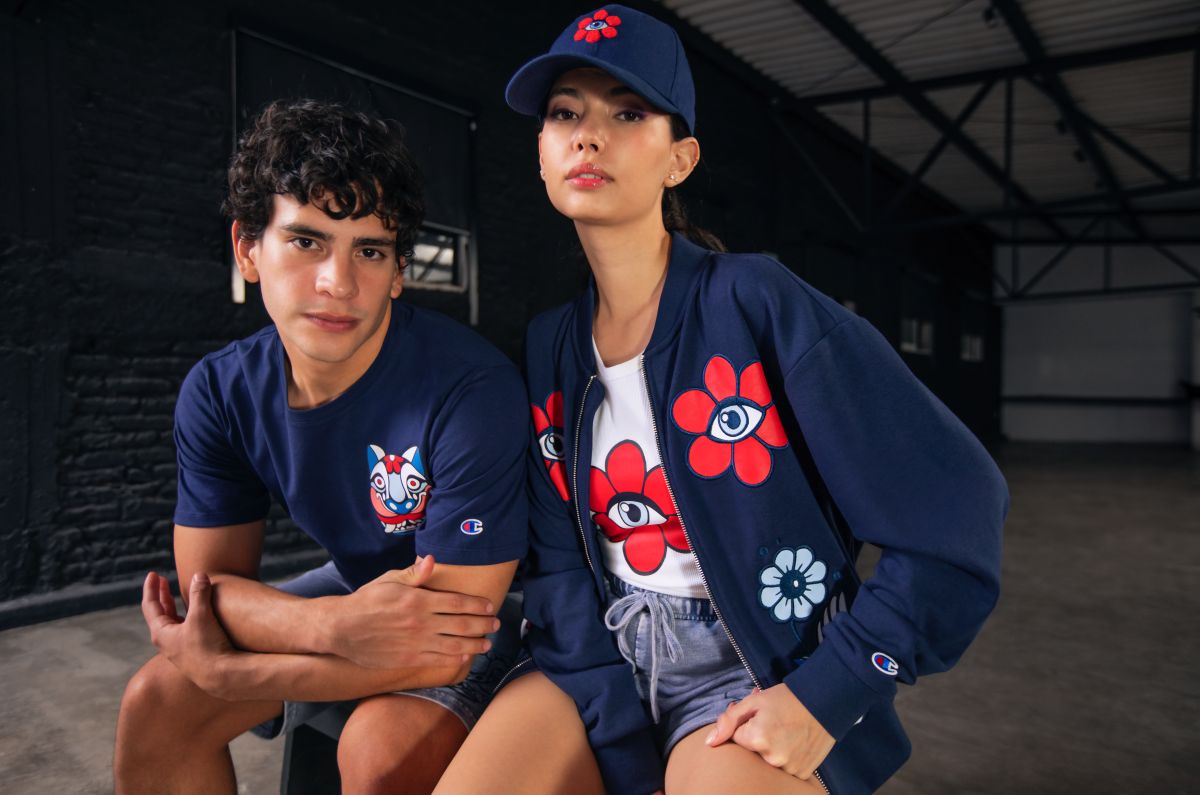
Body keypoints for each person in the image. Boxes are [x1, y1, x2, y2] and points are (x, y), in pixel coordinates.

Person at [433, 6, 1008, 795]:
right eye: (565, 113)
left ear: (680, 159)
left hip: (757, 664)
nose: (587, 136)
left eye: (627, 113)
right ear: (540, 153)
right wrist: (619, 735)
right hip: (598, 655)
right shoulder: (550, 345)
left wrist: (833, 687)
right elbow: (560, 563)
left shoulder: (756, 303)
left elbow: (958, 502)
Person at [113, 99, 529, 795]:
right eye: (307, 242)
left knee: (379, 752)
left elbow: (449, 644)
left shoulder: (470, 387)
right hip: (363, 593)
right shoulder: (220, 391)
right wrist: (334, 624)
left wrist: (236, 673)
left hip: (502, 610)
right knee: (157, 703)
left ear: (398, 271)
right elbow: (209, 595)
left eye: (370, 250)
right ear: (248, 249)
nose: (338, 282)